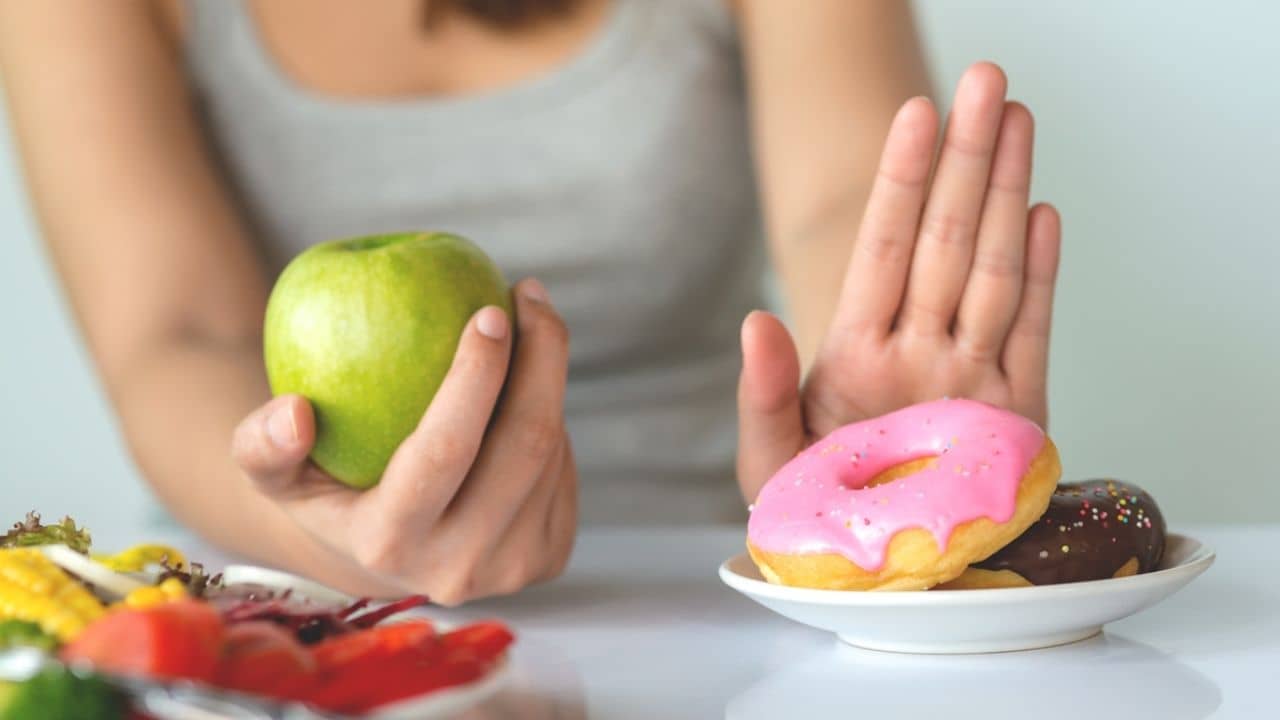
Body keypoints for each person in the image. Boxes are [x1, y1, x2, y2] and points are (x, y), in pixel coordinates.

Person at [0, 0, 1059, 604]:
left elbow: (841, 206)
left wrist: (872, 428)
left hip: (702, 601)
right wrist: (337, 545)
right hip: (284, 610)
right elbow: (177, 334)